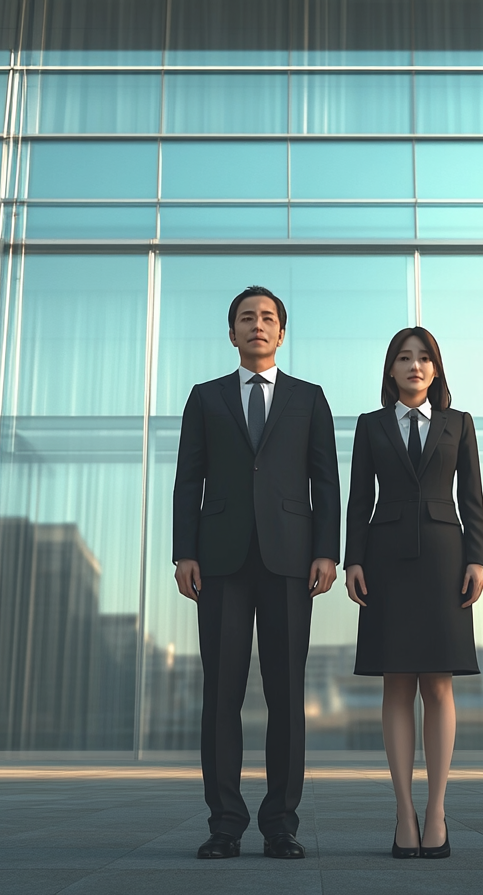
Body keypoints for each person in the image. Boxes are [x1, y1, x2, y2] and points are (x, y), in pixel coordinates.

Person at [172, 285, 341, 860]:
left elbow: (326, 482)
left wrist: (327, 550)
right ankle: (224, 823)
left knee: (286, 694)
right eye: (247, 318)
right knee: (221, 694)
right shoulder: (205, 397)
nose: (257, 325)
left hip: (291, 560)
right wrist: (183, 552)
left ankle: (280, 824)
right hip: (218, 561)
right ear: (232, 333)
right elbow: (186, 480)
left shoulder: (309, 398)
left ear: (282, 332)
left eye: (267, 318)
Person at [343, 327, 483, 860]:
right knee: (396, 684)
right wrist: (352, 558)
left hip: (447, 559)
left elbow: (472, 497)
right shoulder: (370, 425)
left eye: (424, 358)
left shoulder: (459, 424)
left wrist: (478, 558)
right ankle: (404, 811)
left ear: (436, 368)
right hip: (385, 559)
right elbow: (359, 497)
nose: (415, 366)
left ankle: (437, 811)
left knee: (440, 686)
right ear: (390, 370)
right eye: (404, 358)